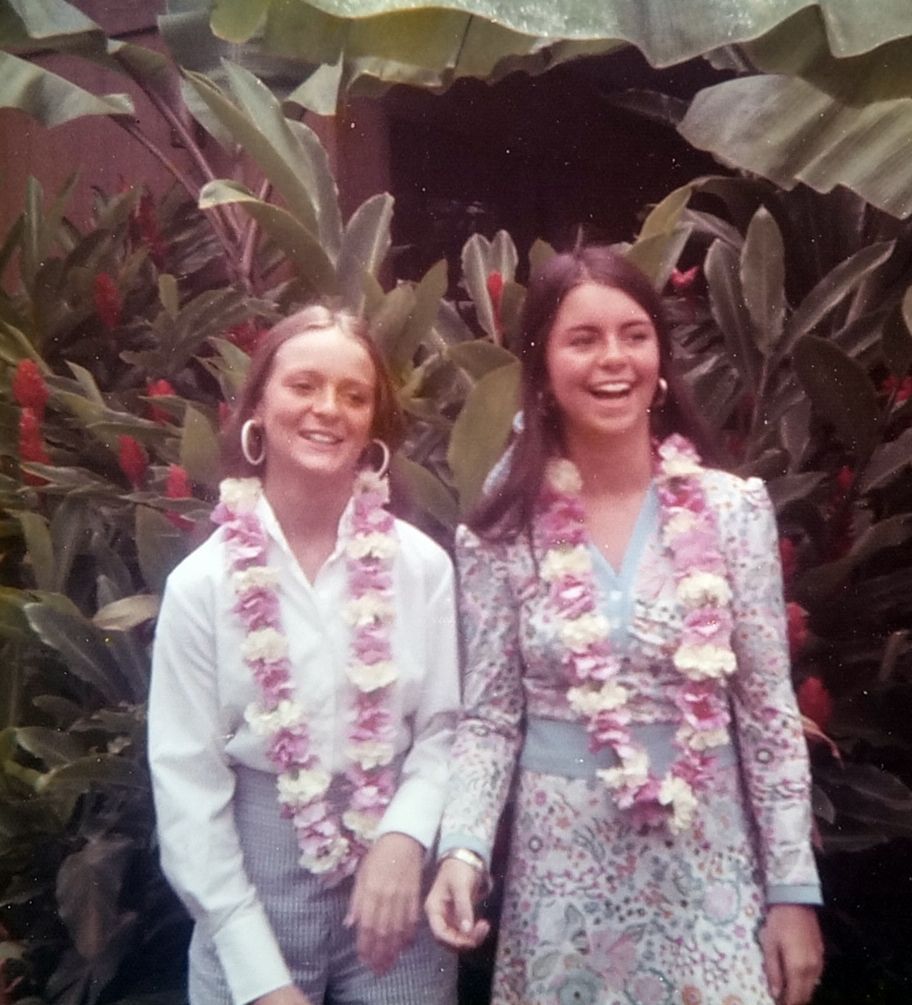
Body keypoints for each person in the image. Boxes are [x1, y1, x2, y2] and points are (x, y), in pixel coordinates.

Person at [426, 247, 824, 1005]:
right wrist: (463, 850)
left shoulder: (731, 511)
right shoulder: (502, 533)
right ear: (542, 367)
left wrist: (792, 891)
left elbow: (769, 714)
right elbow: (490, 719)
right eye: (583, 339)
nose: (614, 358)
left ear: (660, 358)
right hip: (561, 888)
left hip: (709, 875)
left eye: (634, 335)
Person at [148, 305, 459, 1005]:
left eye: (354, 394)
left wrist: (405, 838)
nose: (329, 409)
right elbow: (187, 786)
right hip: (249, 889)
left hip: (392, 892)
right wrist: (259, 978)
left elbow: (445, 731)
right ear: (258, 406)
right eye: (304, 385)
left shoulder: (421, 567)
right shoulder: (202, 584)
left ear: (374, 423)